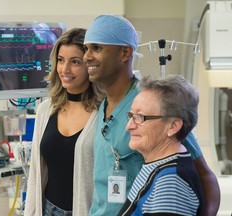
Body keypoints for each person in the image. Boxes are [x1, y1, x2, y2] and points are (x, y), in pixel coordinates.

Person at [83, 15, 220, 216]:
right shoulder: (104, 105)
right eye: (86, 48)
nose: (87, 56)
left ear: (125, 53)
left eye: (97, 48)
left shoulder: (154, 106)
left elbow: (204, 176)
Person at [24, 28, 105, 216]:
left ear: (90, 65)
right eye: (61, 60)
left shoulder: (104, 113)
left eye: (75, 62)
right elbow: (36, 171)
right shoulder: (46, 110)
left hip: (86, 211)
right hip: (47, 209)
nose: (65, 69)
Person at [117, 75, 204, 215]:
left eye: (140, 117)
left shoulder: (170, 183)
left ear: (173, 126)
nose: (129, 126)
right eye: (131, 115)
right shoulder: (156, 166)